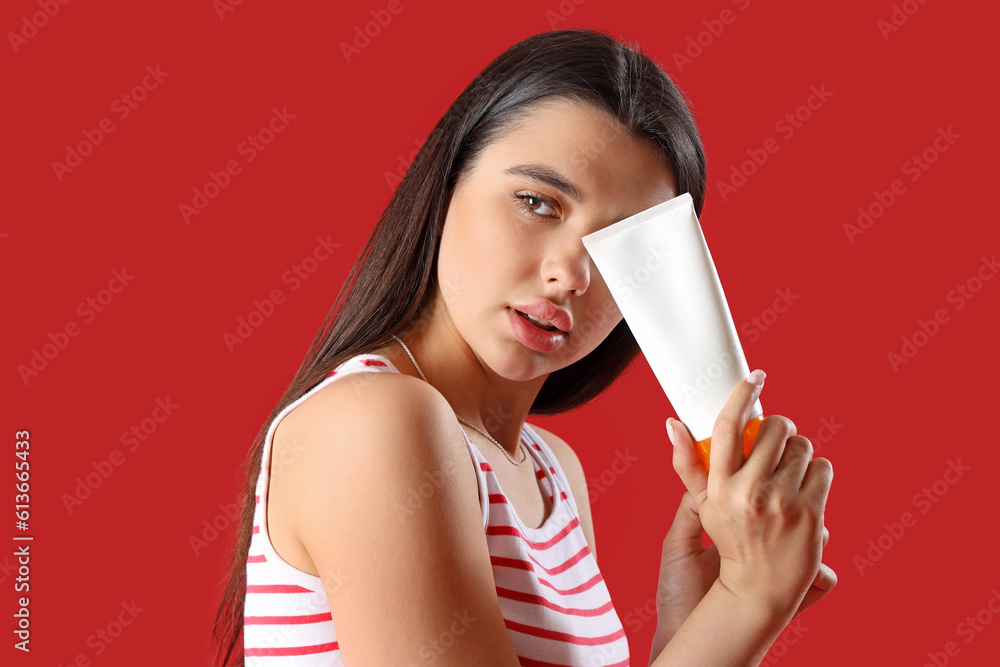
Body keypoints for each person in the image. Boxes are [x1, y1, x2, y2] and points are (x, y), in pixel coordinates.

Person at [212, 28, 835, 666]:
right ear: (447, 181)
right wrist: (748, 599)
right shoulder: (373, 422)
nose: (572, 273)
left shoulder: (550, 473)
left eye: (619, 244)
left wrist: (690, 637)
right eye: (537, 203)